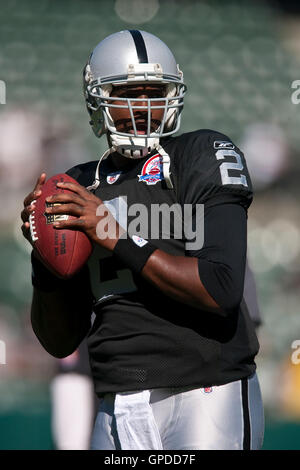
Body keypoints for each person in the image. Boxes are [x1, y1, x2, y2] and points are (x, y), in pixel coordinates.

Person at [21, 30, 264, 450]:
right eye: (127, 94)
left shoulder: (201, 154)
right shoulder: (77, 184)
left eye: (154, 93)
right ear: (98, 101)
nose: (142, 108)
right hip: (115, 403)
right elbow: (59, 341)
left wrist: (113, 233)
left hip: (206, 391)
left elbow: (220, 286)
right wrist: (45, 261)